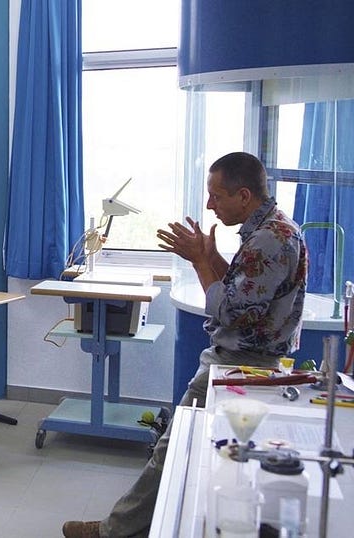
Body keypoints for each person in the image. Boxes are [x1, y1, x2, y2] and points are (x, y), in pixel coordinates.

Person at [62, 152, 308, 538]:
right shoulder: (274, 230)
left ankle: (115, 531)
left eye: (217, 196)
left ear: (244, 195)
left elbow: (230, 311)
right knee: (182, 446)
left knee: (173, 446)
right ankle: (148, 524)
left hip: (241, 361)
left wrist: (198, 261)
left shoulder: (269, 239)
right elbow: (245, 292)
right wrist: (212, 257)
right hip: (247, 356)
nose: (210, 205)